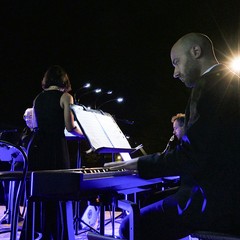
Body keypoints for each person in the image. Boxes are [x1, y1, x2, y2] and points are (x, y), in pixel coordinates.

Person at [105, 33, 240, 239]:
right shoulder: (232, 82)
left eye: (177, 63)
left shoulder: (207, 86)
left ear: (196, 52)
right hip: (228, 194)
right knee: (156, 201)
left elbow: (192, 154)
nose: (175, 73)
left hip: (215, 202)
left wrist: (143, 163)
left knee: (129, 226)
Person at [20, 65, 83, 239]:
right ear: (65, 80)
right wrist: (85, 134)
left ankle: (36, 231)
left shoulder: (38, 98)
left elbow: (35, 124)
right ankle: (56, 233)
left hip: (37, 146)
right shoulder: (66, 97)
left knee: (39, 190)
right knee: (58, 189)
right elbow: (70, 127)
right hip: (55, 146)